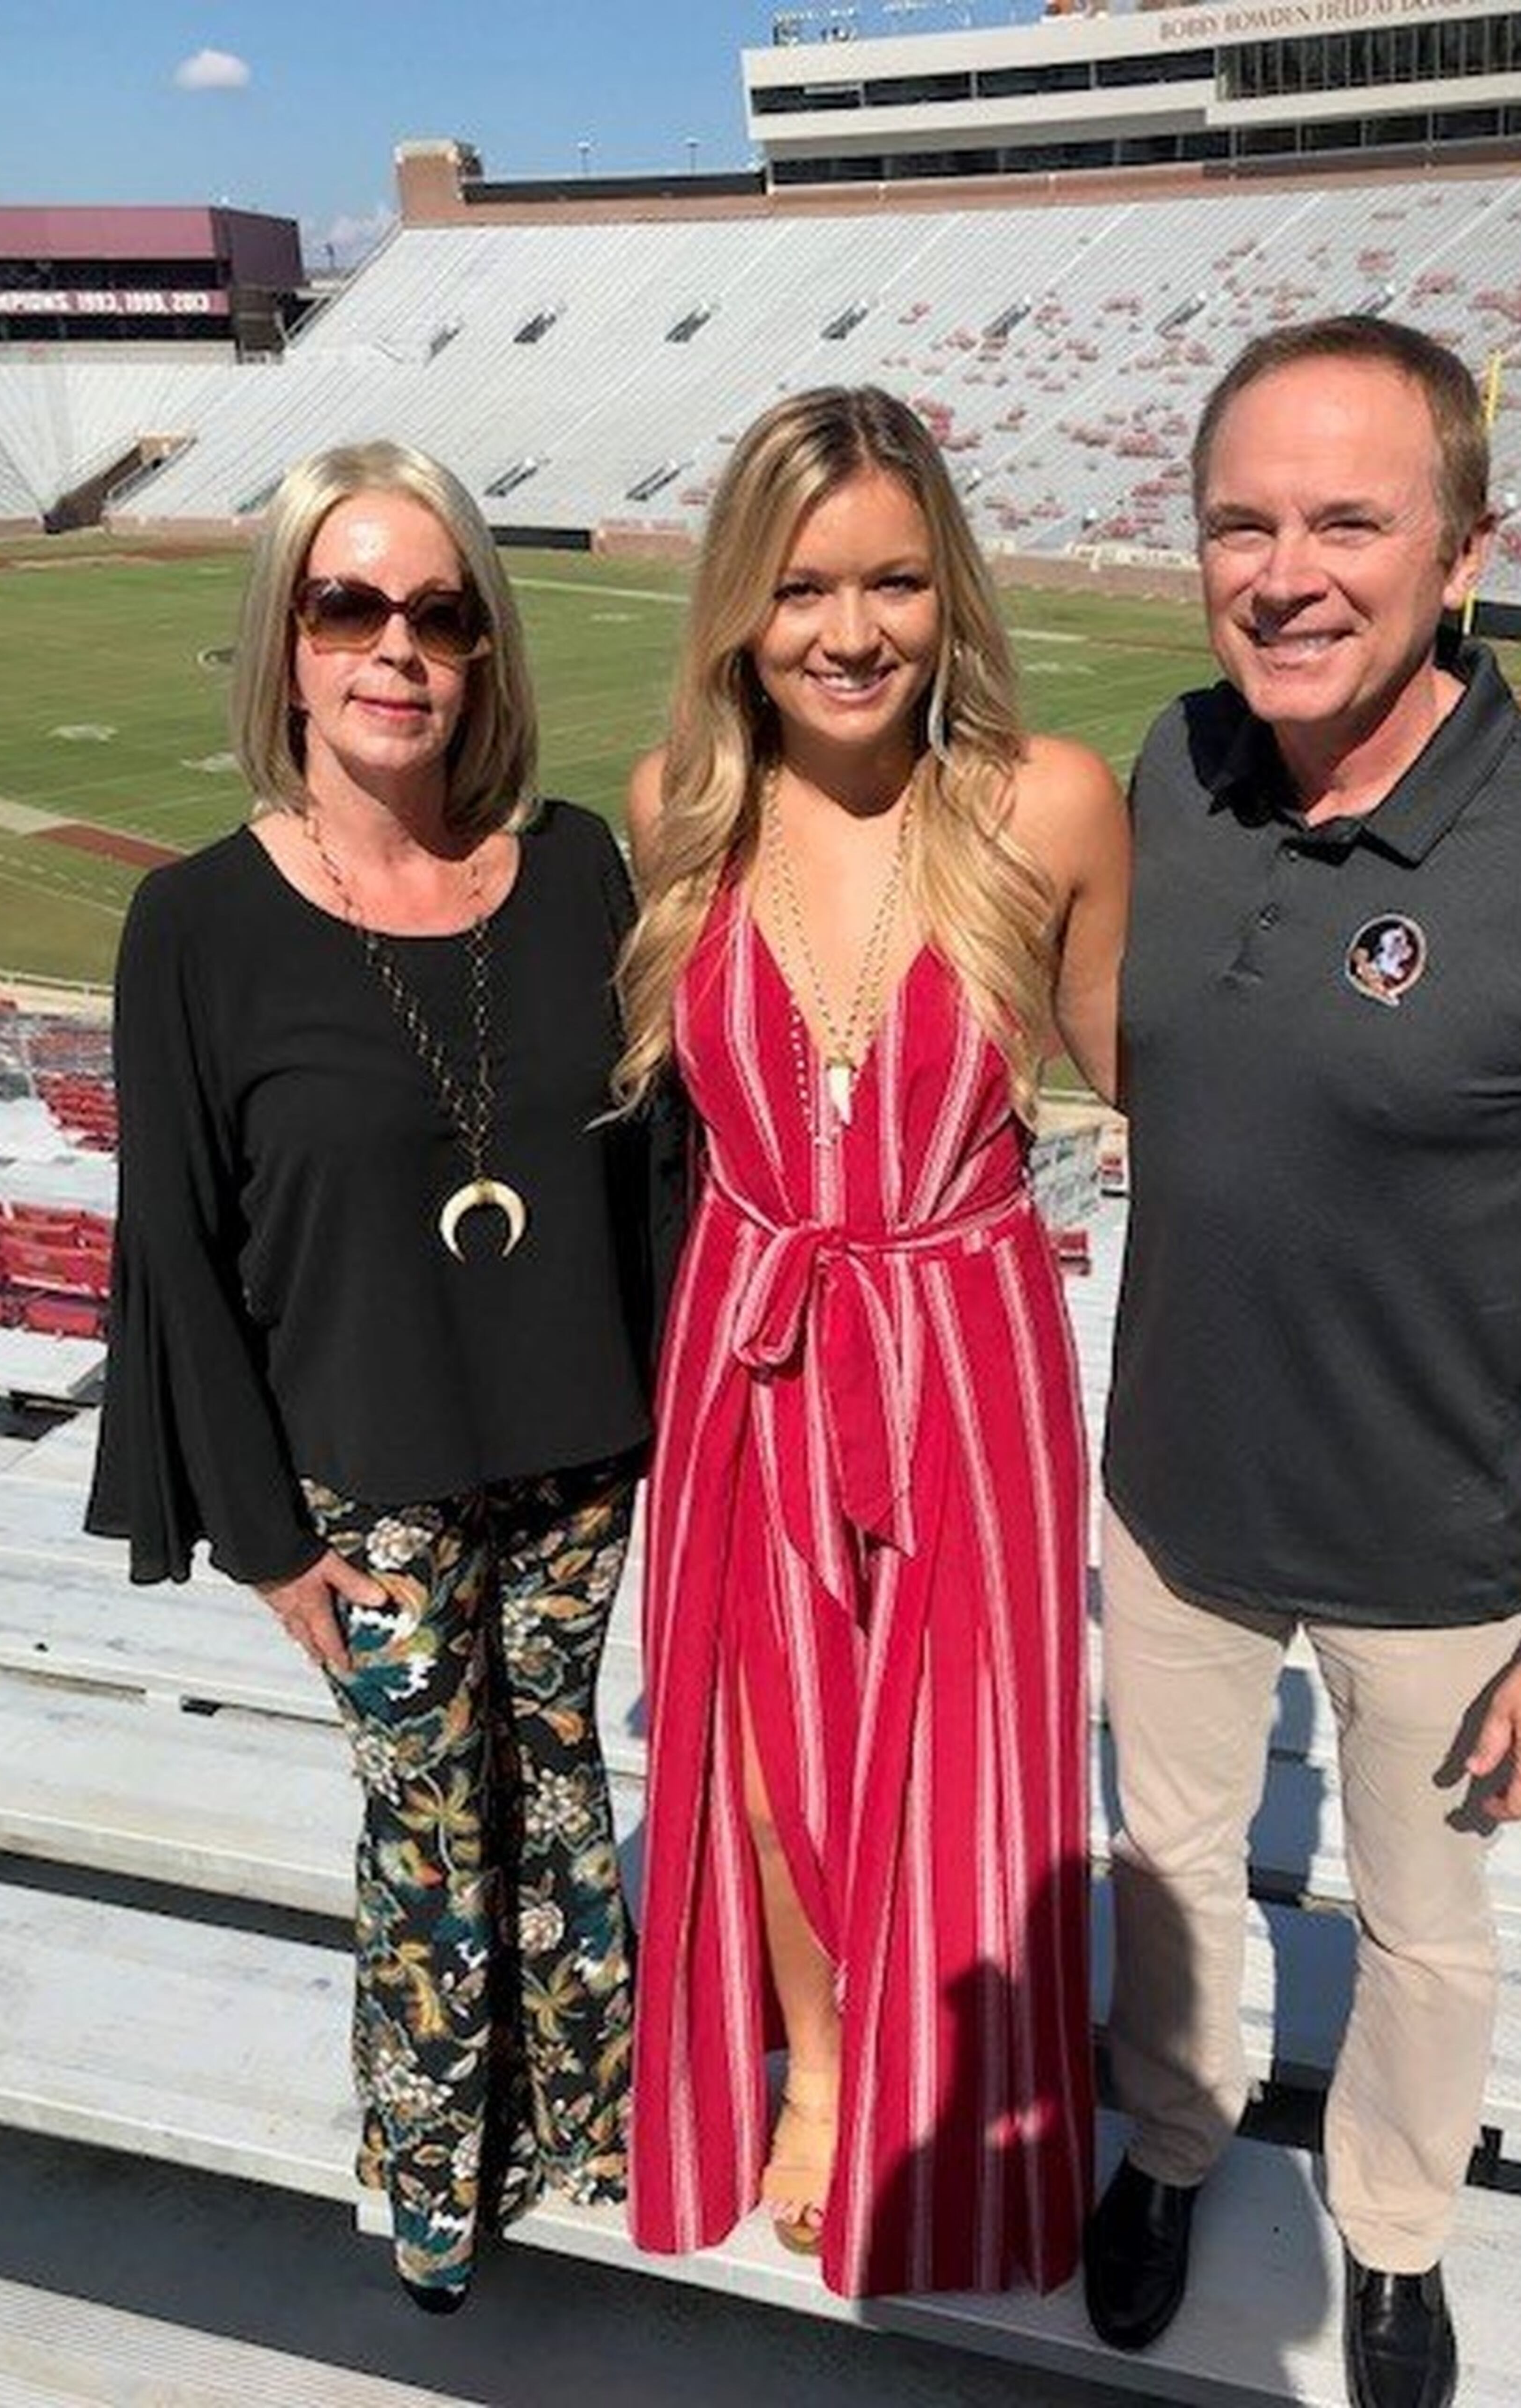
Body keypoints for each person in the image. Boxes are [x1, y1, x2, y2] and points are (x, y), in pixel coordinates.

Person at [1084, 315, 1521, 2408]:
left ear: (1462, 549)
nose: (1288, 570)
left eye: (1350, 520)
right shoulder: (1169, 771)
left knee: (1427, 1930)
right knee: (1169, 1866)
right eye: (1243, 523)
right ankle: (1170, 2144)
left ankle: (1389, 2233)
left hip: (1438, 1535)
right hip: (1174, 1486)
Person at [87, 439, 675, 2312]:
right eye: (350, 604)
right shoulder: (192, 921)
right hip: (370, 1469)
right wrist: (263, 1542)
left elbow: (662, 1156)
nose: (395, 645)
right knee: (431, 1817)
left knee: (562, 1786)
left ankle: (584, 2118)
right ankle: (436, 2168)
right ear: (287, 642)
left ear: (486, 647)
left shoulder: (582, 865)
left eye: (437, 609)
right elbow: (173, 1244)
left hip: (584, 1444)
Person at [617, 385, 1130, 2297]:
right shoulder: (681, 802)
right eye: (803, 583)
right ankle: (823, 2067)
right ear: (742, 607)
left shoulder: (1045, 800)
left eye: (898, 579)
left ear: (953, 590)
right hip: (750, 1335)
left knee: (959, 1743)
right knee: (758, 1738)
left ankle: (965, 2083)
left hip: (966, 1334)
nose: (851, 629)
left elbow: (1150, 1070)